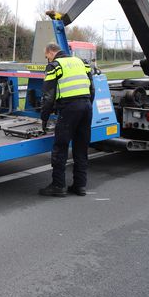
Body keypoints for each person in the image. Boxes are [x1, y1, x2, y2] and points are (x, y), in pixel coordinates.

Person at [39, 42, 95, 197]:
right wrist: (88, 105)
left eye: (46, 57)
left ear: (51, 52)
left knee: (61, 147)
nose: (47, 60)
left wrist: (44, 118)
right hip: (86, 107)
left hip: (70, 108)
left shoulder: (54, 66)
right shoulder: (81, 62)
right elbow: (92, 88)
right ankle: (80, 186)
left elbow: (48, 96)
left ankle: (58, 186)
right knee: (81, 147)